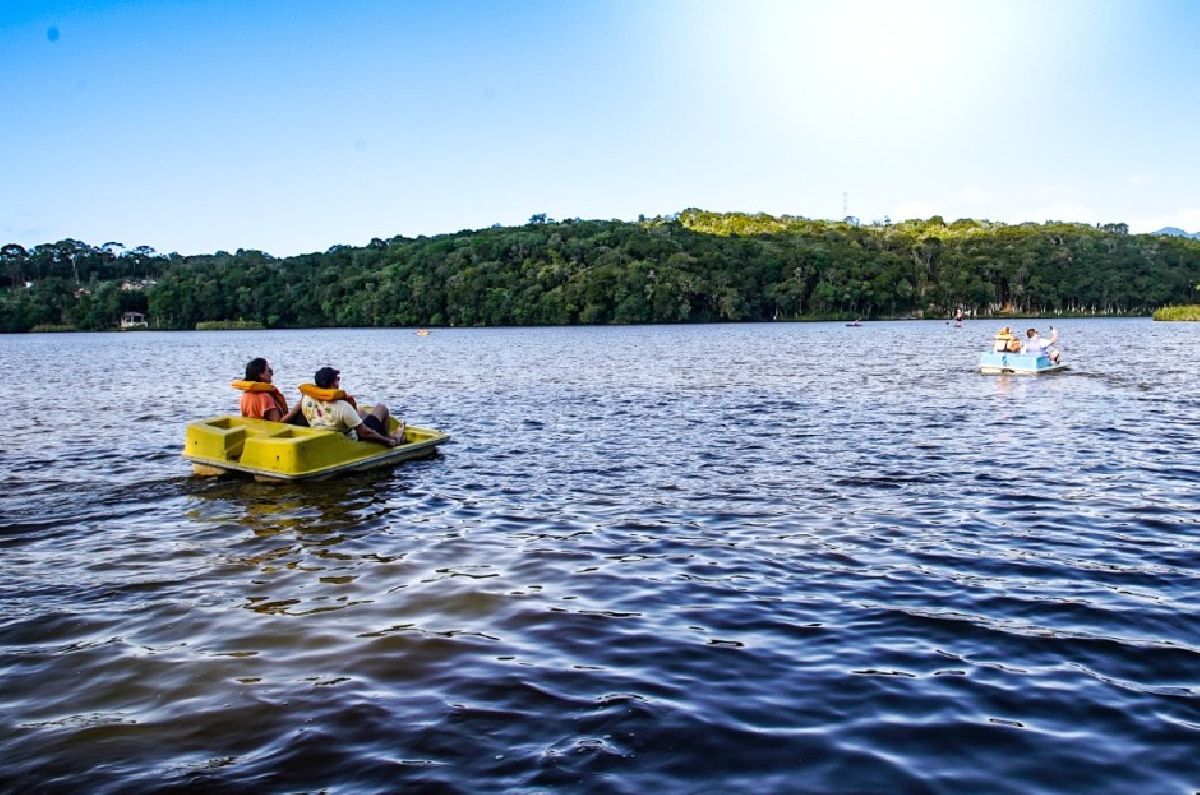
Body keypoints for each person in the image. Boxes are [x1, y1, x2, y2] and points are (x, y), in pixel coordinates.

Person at [299, 366, 406, 447]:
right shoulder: (342, 406)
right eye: (337, 379)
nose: (338, 382)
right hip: (352, 438)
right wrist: (387, 442)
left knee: (360, 410)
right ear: (334, 384)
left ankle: (387, 433)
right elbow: (364, 433)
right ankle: (390, 437)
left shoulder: (306, 399)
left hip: (323, 430)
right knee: (381, 408)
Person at [232, 357, 302, 423]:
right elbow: (278, 423)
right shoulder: (265, 397)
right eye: (269, 371)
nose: (272, 374)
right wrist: (298, 407)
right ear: (261, 374)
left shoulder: (244, 396)